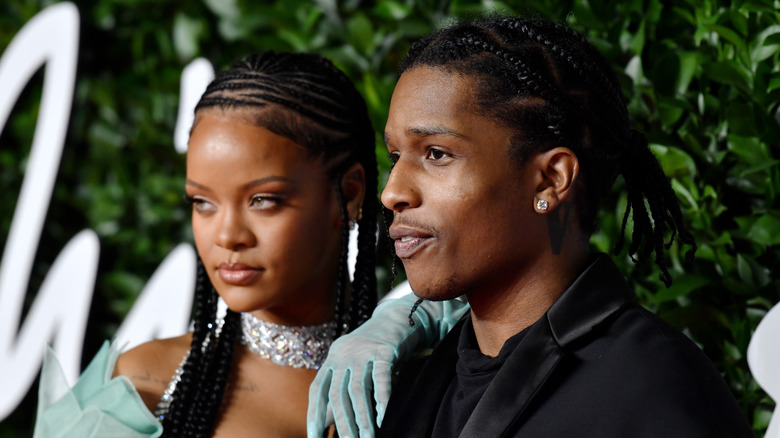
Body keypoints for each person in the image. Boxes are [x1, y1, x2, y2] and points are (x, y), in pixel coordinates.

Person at [308, 15, 754, 437]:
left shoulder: (652, 387)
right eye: (395, 157)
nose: (392, 193)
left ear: (550, 179)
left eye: (436, 154)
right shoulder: (401, 389)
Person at [34, 51, 379, 438]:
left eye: (263, 200)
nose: (228, 235)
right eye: (203, 203)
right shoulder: (142, 389)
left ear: (349, 193)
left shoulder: (418, 376)